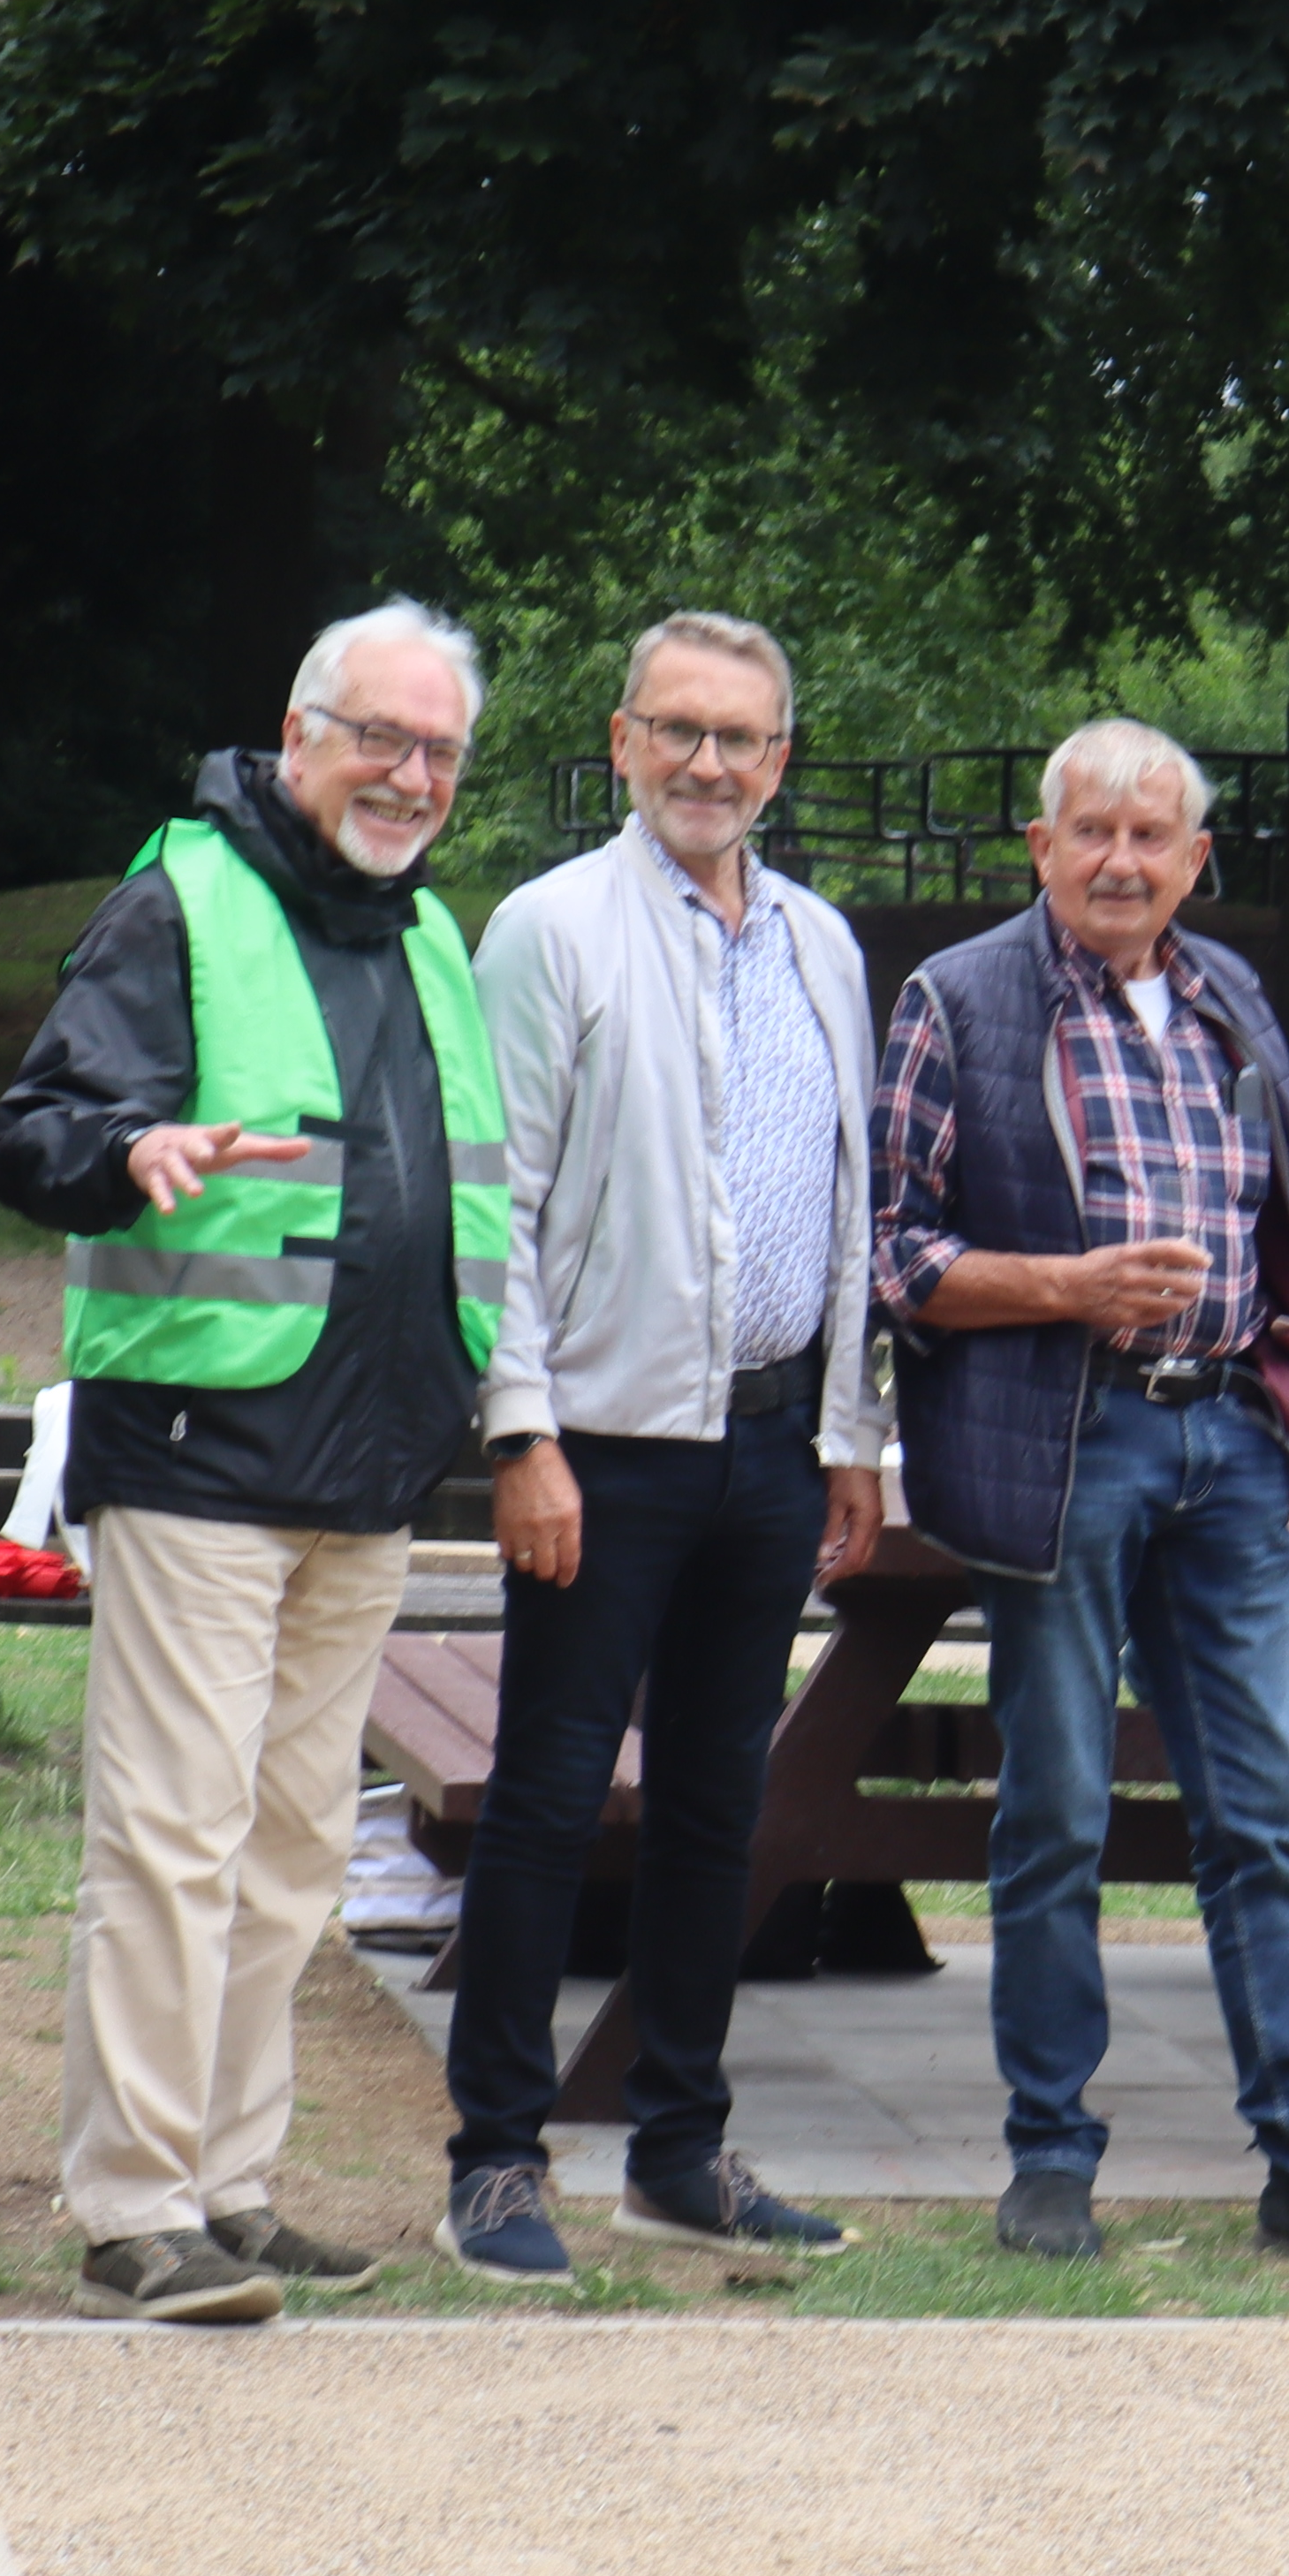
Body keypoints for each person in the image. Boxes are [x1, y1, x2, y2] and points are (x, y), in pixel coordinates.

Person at [869, 720, 1289, 2266]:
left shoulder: (1231, 998)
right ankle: (1051, 2159)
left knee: (1266, 1813)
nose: (1124, 861)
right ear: (1042, 845)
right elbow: (897, 1260)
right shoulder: (958, 1000)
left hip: (1225, 1444)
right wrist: (1066, 1284)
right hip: (1065, 1436)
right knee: (1058, 1811)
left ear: (1198, 862)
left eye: (1156, 838)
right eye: (1094, 832)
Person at [0, 599, 510, 2327]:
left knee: (295, 1846)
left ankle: (232, 2182)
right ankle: (134, 2210)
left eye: (438, 750)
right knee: (171, 1838)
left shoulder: (432, 933)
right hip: (202, 1452)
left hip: (367, 1470)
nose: (408, 774)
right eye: (380, 737)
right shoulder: (181, 897)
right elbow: (34, 1131)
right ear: (300, 735)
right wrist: (132, 1143)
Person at [442, 611, 890, 2280]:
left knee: (723, 1807)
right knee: (550, 1800)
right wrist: (521, 1429)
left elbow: (848, 1206)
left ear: (780, 761)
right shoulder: (549, 932)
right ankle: (496, 2160)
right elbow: (502, 1209)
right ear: (625, 741)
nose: (711, 763)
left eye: (743, 738)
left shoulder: (821, 946)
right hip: (602, 1449)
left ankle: (681, 2149)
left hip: (771, 1446)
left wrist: (851, 1428)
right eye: (679, 731)